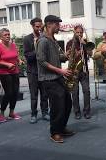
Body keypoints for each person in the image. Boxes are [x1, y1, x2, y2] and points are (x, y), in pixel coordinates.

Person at [36, 15, 75, 143]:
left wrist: (67, 56)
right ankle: (55, 132)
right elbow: (41, 61)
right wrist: (61, 71)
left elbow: (57, 57)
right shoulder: (42, 41)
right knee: (57, 105)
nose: (59, 27)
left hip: (57, 77)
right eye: (57, 24)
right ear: (49, 24)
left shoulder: (52, 39)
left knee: (67, 103)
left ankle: (61, 127)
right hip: (49, 78)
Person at [23, 17, 49, 124]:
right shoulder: (27, 39)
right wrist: (38, 48)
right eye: (37, 27)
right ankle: (33, 114)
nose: (39, 28)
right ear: (32, 26)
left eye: (40, 26)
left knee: (44, 94)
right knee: (34, 95)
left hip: (43, 71)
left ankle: (45, 113)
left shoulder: (45, 37)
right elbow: (28, 56)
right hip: (32, 71)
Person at [0, 28, 22, 122]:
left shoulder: (13, 45)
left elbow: (15, 56)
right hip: (4, 73)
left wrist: (19, 60)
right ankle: (1, 114)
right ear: (0, 37)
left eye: (8, 34)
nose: (8, 36)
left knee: (15, 93)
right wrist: (6, 64)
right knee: (9, 93)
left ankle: (11, 113)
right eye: (5, 35)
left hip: (15, 71)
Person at [65, 24, 92, 120]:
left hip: (84, 70)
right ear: (74, 32)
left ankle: (87, 111)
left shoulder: (85, 42)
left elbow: (91, 54)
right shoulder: (69, 43)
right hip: (74, 71)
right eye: (78, 32)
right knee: (75, 93)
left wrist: (85, 45)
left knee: (87, 91)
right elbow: (68, 57)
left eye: (81, 32)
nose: (79, 34)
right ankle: (77, 112)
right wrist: (76, 54)